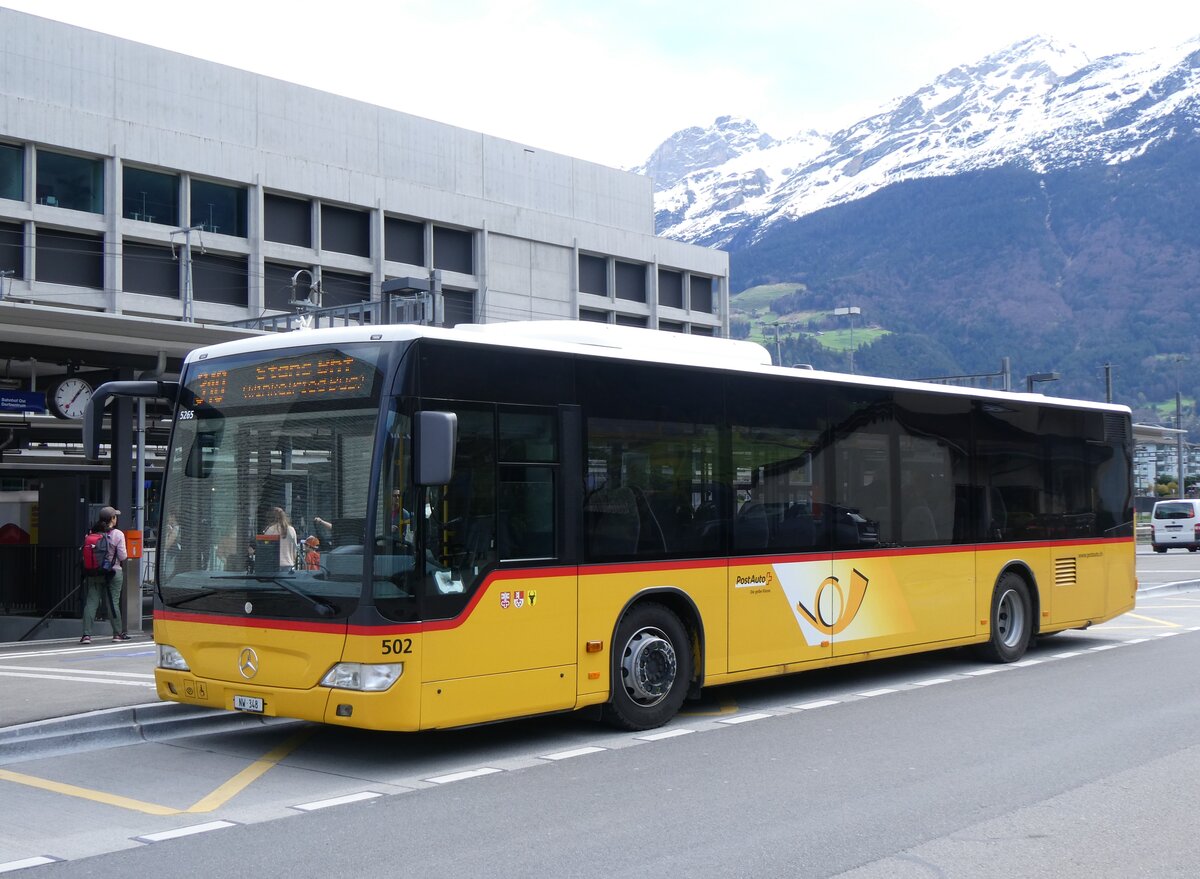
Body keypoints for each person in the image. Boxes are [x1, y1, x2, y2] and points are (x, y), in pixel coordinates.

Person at [80, 505, 129, 644]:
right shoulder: (118, 534)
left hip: (94, 572)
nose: (116, 519)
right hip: (113, 572)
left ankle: (86, 635)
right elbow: (123, 556)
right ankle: (117, 634)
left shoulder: (91, 533)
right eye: (115, 516)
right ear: (112, 519)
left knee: (91, 602)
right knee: (113, 602)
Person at [263, 506, 298, 570]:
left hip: (274, 565)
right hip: (289, 564)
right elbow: (295, 549)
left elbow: (265, 549)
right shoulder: (291, 530)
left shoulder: (270, 530)